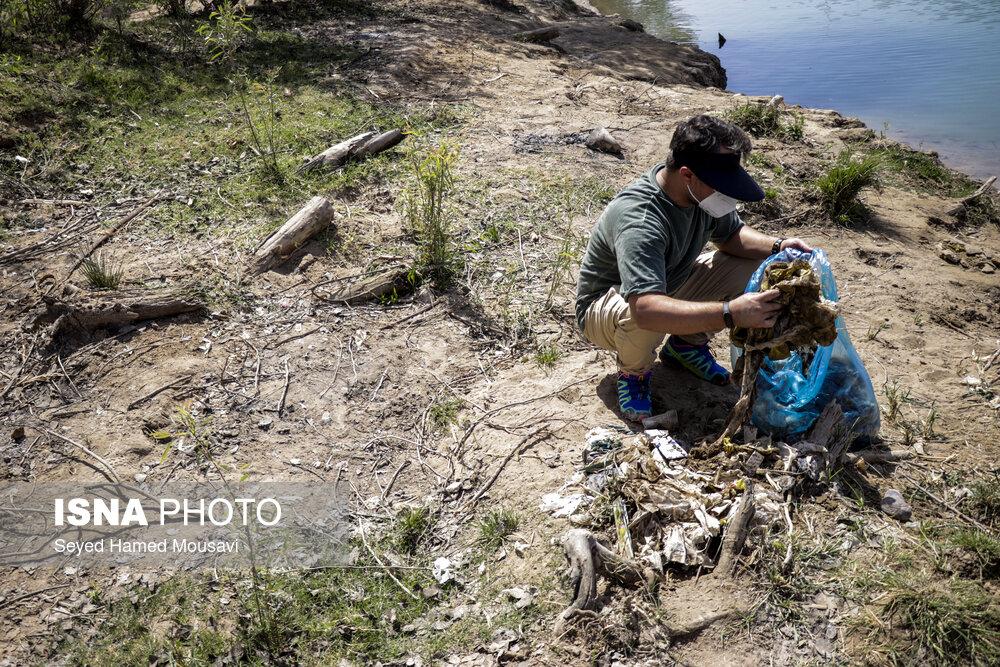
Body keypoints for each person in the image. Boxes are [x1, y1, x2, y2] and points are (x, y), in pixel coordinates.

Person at [575, 114, 812, 421]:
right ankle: (633, 374)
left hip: (668, 285)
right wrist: (731, 313)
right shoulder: (642, 219)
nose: (728, 195)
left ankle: (684, 347)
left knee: (759, 266)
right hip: (607, 307)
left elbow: (731, 236)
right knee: (644, 316)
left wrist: (779, 246)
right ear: (687, 175)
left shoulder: (699, 195)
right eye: (722, 186)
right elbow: (646, 308)